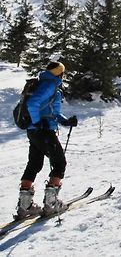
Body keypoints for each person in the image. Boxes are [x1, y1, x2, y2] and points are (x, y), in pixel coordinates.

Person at [16, 61, 78, 219]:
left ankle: (25, 207)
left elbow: (54, 111)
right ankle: (51, 205)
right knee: (59, 163)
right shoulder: (49, 85)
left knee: (34, 164)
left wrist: (65, 121)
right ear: (59, 74)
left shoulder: (45, 84)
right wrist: (38, 122)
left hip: (34, 131)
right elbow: (33, 103)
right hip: (43, 131)